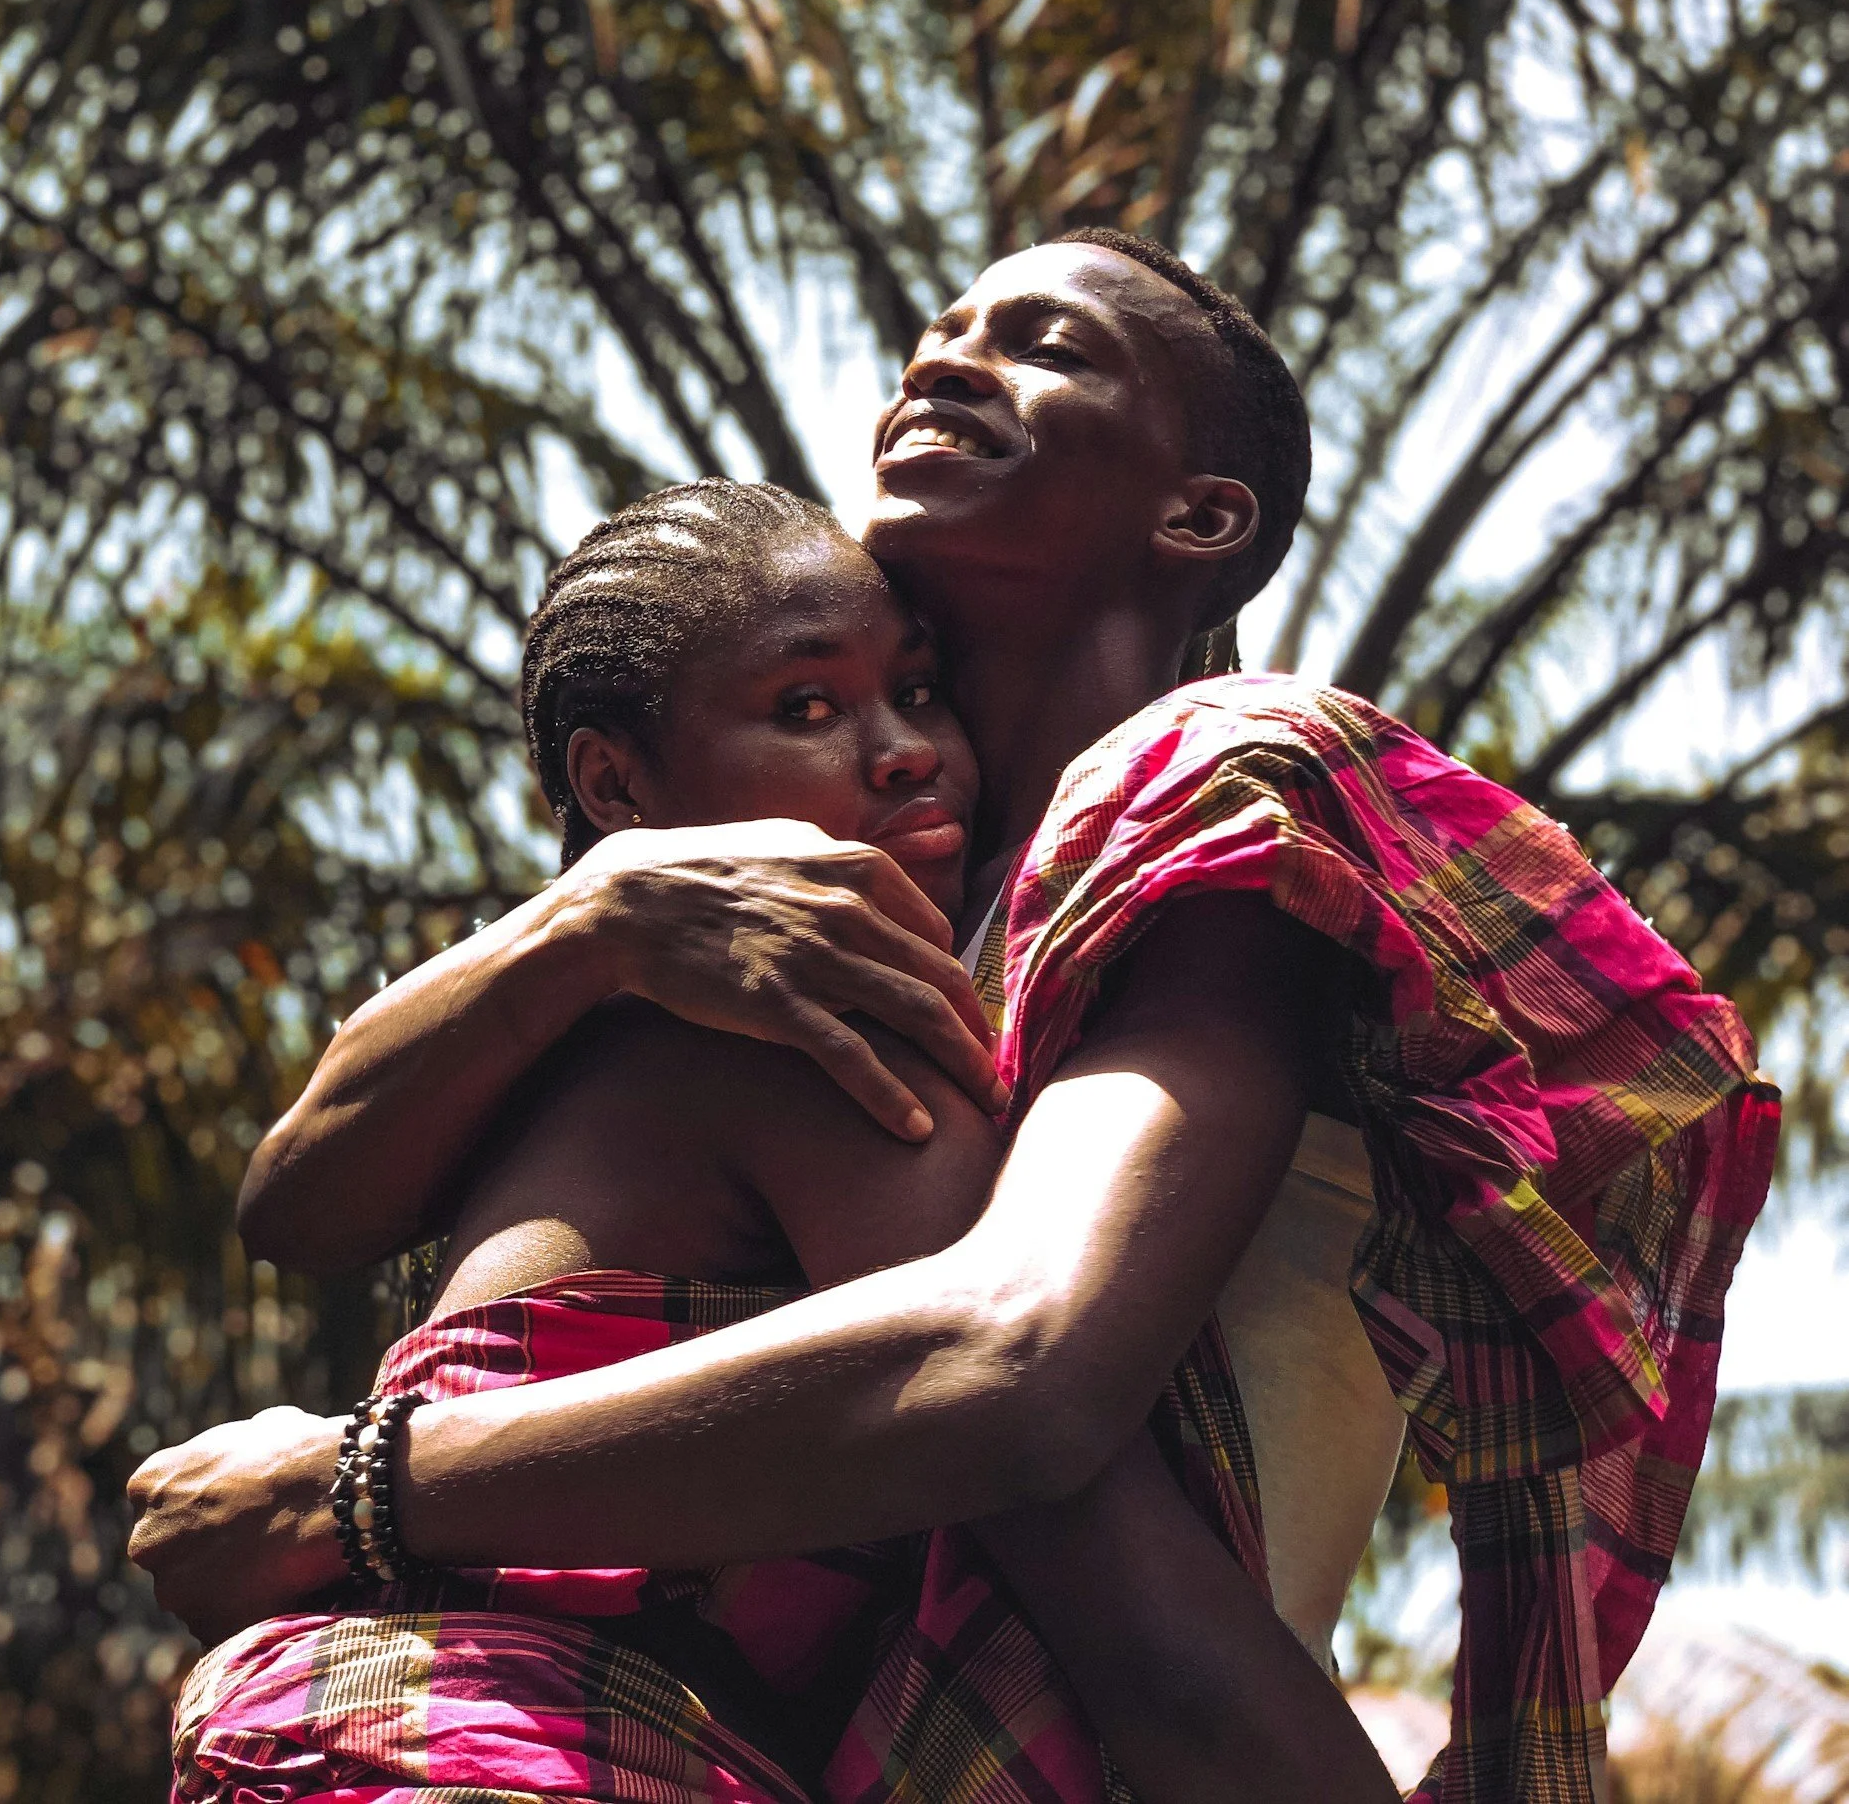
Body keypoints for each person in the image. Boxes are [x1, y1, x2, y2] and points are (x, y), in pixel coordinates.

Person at [131, 231, 1780, 1804]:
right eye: (939, 338)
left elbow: (1016, 1365)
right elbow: (303, 1204)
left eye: (1043, 343)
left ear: (1201, 517)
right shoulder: (802, 942)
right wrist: (595, 912)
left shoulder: (1205, 783)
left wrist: (355, 1483)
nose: (951, 360)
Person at [171, 478, 1393, 1803]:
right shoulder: (809, 1029)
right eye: (807, 708)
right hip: (487, 1748)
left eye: (919, 693)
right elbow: (1073, 1507)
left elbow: (298, 1210)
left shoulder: (570, 1039)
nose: (902, 751)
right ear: (614, 781)